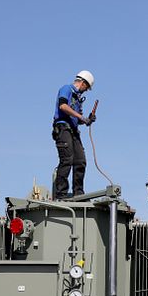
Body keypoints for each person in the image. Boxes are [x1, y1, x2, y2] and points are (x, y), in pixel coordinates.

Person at [52, 70, 95, 199]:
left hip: (73, 130)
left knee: (80, 160)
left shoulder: (77, 99)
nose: (86, 90)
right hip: (63, 128)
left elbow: (76, 119)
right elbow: (63, 106)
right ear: (82, 82)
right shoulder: (67, 89)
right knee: (67, 160)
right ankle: (61, 193)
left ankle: (78, 193)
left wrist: (87, 120)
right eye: (86, 87)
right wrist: (81, 117)